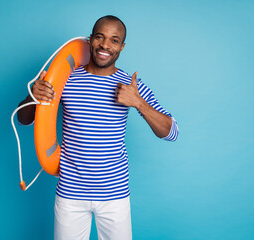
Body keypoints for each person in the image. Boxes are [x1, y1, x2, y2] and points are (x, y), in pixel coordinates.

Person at [17, 15, 178, 240]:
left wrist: (138, 102)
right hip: (70, 193)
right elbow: (24, 119)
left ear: (121, 47)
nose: (105, 45)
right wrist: (33, 94)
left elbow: (172, 132)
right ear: (90, 39)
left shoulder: (132, 86)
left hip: (115, 194)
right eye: (100, 37)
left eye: (114, 40)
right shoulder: (66, 79)